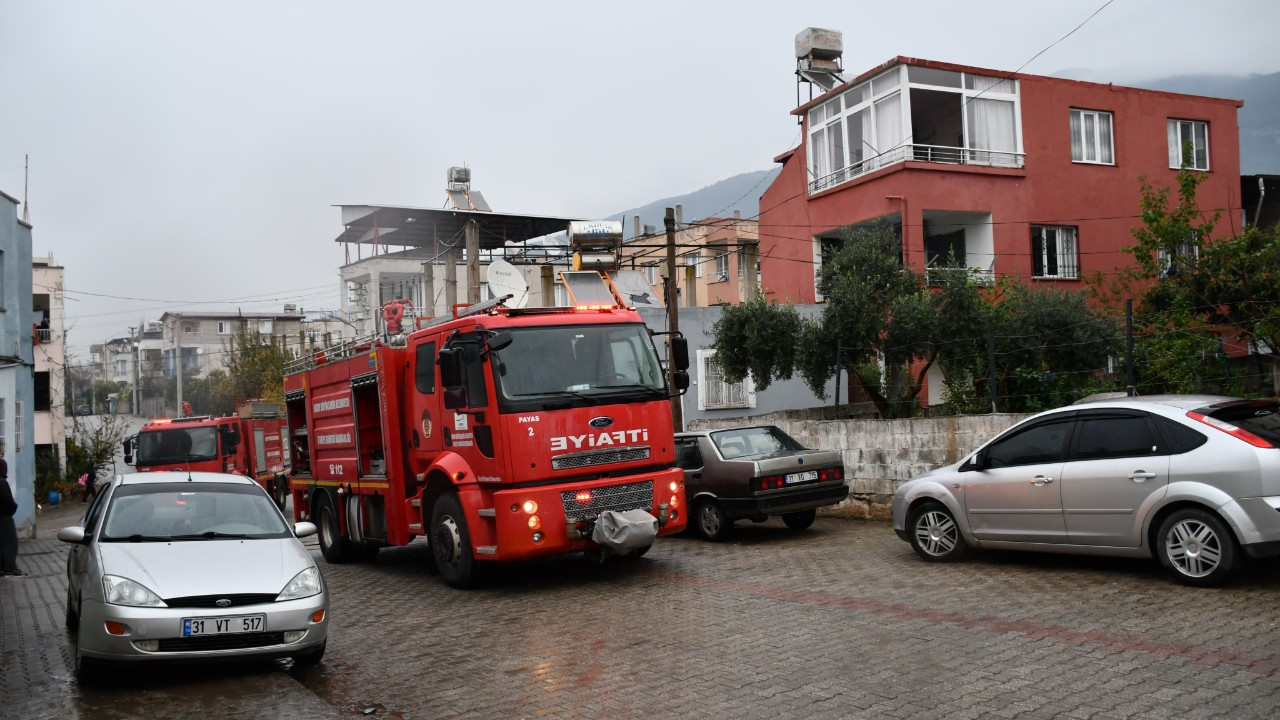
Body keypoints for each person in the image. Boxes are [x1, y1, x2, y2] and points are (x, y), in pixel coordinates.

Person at [0, 440, 25, 578]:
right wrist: (13, 508)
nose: (3, 451)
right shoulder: (2, 483)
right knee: (9, 543)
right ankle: (9, 567)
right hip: (4, 517)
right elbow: (9, 502)